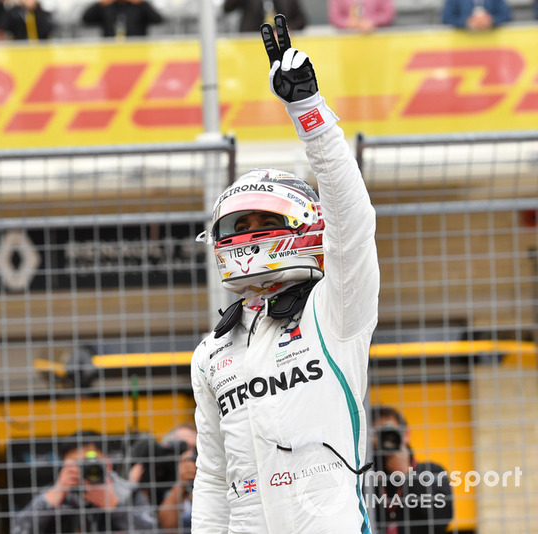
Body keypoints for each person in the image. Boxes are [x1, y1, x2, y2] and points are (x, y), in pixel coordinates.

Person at [190, 14, 379, 533]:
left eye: (266, 222)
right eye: (239, 224)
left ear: (302, 226)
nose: (250, 234)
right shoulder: (212, 351)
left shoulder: (335, 309)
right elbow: (211, 478)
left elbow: (353, 223)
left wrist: (309, 112)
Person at [11, 430, 157, 533]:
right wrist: (56, 494)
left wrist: (115, 507)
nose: (86, 469)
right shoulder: (57, 496)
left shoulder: (128, 492)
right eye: (76, 464)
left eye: (90, 462)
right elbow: (18, 530)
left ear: (107, 462)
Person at [369, 406, 454, 534]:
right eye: (378, 433)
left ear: (406, 434)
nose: (386, 438)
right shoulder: (367, 477)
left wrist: (407, 475)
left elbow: (442, 519)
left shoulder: (432, 471)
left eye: (390, 431)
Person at [156, 431, 197, 533]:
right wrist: (181, 483)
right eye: (183, 449)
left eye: (195, 449)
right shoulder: (160, 476)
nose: (189, 455)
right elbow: (168, 526)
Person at [81, 0, 163, 38]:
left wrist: (141, 4)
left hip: (137, 51)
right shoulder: (106, 7)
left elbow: (158, 19)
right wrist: (100, 4)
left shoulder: (139, 6)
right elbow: (86, 19)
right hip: (109, 51)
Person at [223, 0, 307, 33]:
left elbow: (301, 21)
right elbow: (228, 8)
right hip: (251, 45)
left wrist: (285, 31)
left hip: (280, 48)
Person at [328, 0, 395, 32]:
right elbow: (335, 17)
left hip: (377, 41)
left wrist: (373, 22)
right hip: (347, 43)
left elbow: (388, 14)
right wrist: (349, 23)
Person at [441, 0, 511, 30]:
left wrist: (491, 20)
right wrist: (466, 22)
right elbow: (447, 17)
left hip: (492, 46)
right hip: (463, 46)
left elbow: (506, 15)